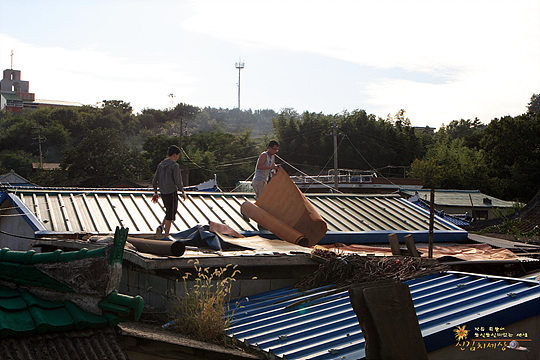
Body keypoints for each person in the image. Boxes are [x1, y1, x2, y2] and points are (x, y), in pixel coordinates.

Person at [152, 145, 186, 238]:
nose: (178, 158)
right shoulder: (174, 165)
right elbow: (178, 180)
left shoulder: (160, 165)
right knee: (171, 214)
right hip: (172, 192)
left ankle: (161, 226)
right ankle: (166, 235)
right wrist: (182, 191)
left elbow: (154, 180)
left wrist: (155, 192)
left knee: (169, 211)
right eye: (178, 155)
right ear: (174, 155)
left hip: (163, 192)